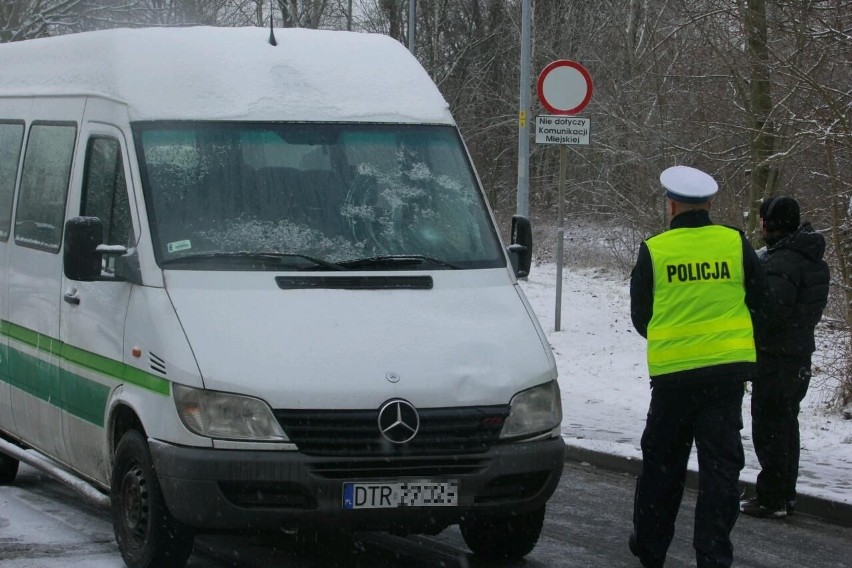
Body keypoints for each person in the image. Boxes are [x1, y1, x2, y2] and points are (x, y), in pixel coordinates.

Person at [628, 165, 768, 568]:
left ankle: (652, 548)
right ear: (709, 204)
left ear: (671, 205)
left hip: (673, 381)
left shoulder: (655, 249)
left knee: (662, 468)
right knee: (720, 472)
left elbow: (642, 317)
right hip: (725, 380)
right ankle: (713, 554)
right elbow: (763, 304)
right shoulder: (734, 243)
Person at [740, 196, 830, 519]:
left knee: (770, 427)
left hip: (776, 358)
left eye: (764, 219)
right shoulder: (811, 259)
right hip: (798, 355)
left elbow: (770, 312)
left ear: (773, 223)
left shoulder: (783, 262)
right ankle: (784, 494)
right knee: (786, 425)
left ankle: (772, 497)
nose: (761, 224)